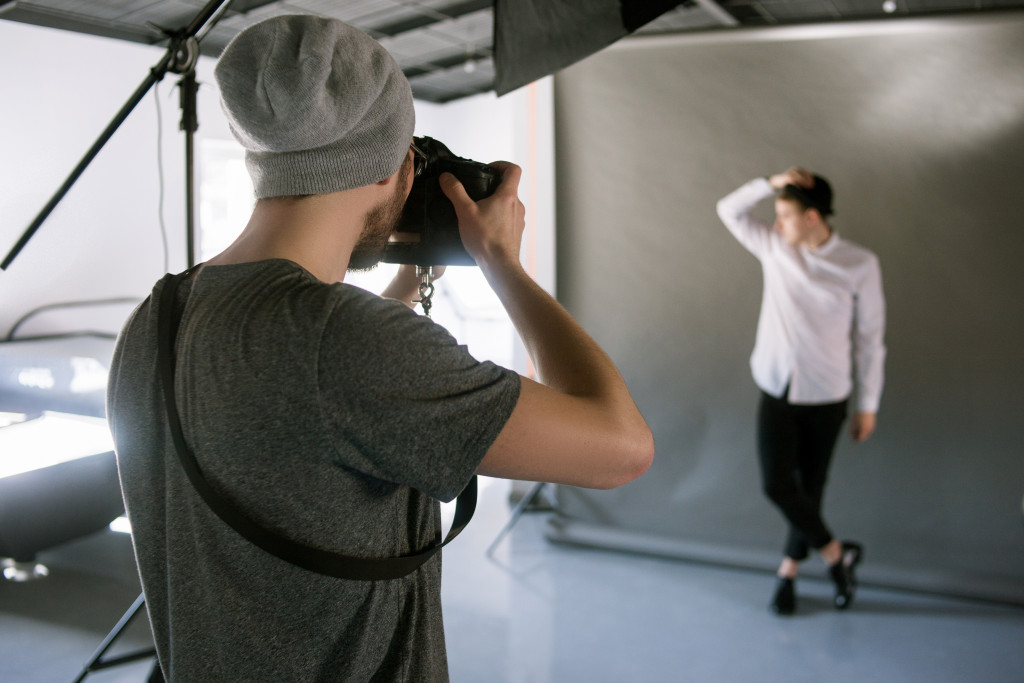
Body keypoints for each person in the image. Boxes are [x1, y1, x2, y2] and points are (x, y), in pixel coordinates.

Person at [106, 14, 653, 682]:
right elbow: (621, 447)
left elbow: (312, 412)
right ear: (394, 167)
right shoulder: (348, 344)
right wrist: (504, 263)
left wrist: (410, 279)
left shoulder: (158, 315)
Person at [715, 167, 885, 616]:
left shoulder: (859, 264)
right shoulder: (775, 248)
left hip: (828, 395)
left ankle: (788, 571)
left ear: (812, 218)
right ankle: (836, 556)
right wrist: (770, 183)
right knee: (777, 485)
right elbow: (728, 210)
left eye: (786, 215)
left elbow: (871, 339)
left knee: (810, 489)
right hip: (776, 386)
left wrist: (868, 406)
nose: (777, 224)